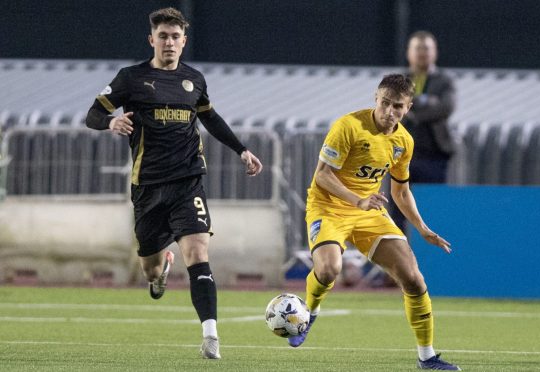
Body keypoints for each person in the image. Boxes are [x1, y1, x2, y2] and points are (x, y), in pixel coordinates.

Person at [84, 7, 263, 360]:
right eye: (162, 36)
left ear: (184, 41)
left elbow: (210, 118)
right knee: (149, 268)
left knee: (198, 253)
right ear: (152, 39)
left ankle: (211, 336)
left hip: (188, 180)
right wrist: (110, 123)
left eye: (175, 36)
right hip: (148, 186)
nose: (169, 42)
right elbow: (92, 114)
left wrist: (242, 150)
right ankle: (160, 270)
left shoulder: (194, 80)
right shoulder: (130, 78)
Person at [287, 74, 460, 370]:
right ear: (375, 98)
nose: (389, 111)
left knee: (413, 278)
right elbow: (323, 175)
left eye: (397, 106)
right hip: (329, 206)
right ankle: (310, 312)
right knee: (329, 269)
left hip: (369, 212)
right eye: (385, 103)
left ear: (408, 108)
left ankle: (427, 357)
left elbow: (401, 190)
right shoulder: (349, 126)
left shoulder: (404, 141)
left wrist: (421, 227)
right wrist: (357, 200)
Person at [391, 31, 457, 234]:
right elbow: (392, 107)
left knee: (433, 210)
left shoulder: (444, 81)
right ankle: (398, 260)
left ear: (434, 52)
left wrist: (413, 108)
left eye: (426, 48)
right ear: (409, 53)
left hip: (433, 156)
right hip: (401, 157)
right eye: (417, 48)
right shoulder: (398, 80)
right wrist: (427, 101)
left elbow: (445, 107)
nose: (422, 53)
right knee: (397, 211)